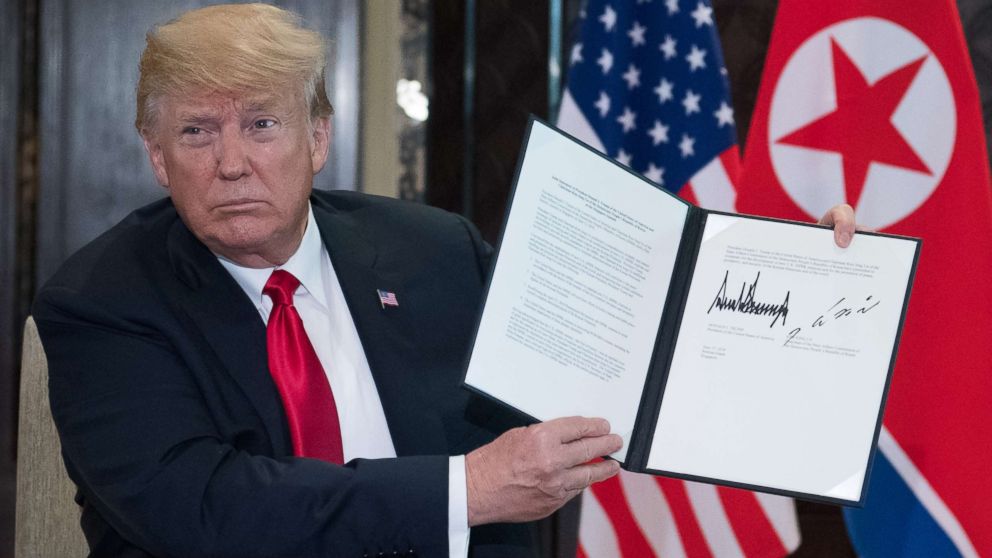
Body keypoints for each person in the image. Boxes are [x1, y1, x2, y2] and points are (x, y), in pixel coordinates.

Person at [33, 4, 857, 557]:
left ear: (318, 138)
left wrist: (782, 281)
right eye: (197, 131)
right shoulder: (105, 302)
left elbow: (631, 353)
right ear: (157, 156)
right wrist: (467, 488)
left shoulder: (433, 251)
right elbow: (204, 508)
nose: (233, 162)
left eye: (262, 123)